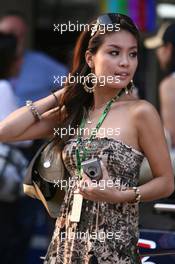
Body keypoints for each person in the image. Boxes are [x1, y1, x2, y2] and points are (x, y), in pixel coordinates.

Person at [0, 13, 174, 264]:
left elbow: (166, 182)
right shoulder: (74, 113)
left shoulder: (141, 112)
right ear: (90, 59)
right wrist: (62, 94)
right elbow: (6, 131)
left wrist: (122, 195)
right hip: (66, 243)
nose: (125, 63)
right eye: (114, 53)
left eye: (132, 54)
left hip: (113, 248)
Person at [0, 10, 68, 106]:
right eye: (9, 35)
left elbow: (73, 82)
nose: (16, 40)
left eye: (21, 35)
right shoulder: (4, 87)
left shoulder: (41, 62)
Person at [144, 23, 175, 149]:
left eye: (159, 47)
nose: (158, 53)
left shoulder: (169, 85)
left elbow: (172, 136)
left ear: (168, 48)